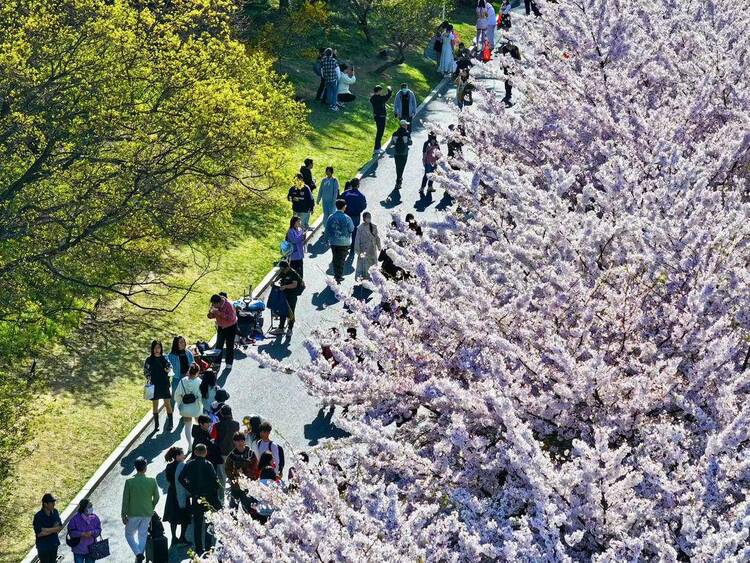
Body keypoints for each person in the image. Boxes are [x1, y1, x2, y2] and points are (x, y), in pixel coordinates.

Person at [179, 443, 221, 556]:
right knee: (208, 523)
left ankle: (198, 548)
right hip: (208, 497)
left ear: (195, 452)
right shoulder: (208, 464)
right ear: (206, 452)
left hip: (196, 497)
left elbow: (181, 478)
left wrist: (190, 488)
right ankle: (208, 547)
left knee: (198, 524)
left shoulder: (190, 464)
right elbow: (216, 482)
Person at [122, 456, 159, 563]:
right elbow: (156, 497)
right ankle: (139, 555)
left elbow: (125, 500)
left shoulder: (129, 482)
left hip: (133, 513)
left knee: (129, 534)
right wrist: (151, 506)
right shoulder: (152, 481)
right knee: (142, 535)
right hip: (147, 512)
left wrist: (123, 515)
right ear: (145, 467)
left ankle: (138, 554)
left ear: (135, 467)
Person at [224, 432, 260, 511]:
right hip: (235, 486)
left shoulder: (251, 454)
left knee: (249, 508)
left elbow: (255, 469)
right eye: (237, 441)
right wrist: (234, 477)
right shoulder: (231, 456)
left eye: (241, 440)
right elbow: (227, 470)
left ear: (244, 441)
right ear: (234, 442)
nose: (240, 443)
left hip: (248, 486)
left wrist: (244, 471)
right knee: (233, 509)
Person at [144, 340, 173, 432]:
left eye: (159, 348)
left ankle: (170, 423)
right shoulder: (149, 359)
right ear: (152, 349)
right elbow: (146, 371)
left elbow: (170, 367)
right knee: (155, 405)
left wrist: (168, 369)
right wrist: (149, 378)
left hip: (164, 383)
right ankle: (156, 425)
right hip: (154, 385)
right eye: (155, 348)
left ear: (161, 348)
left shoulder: (165, 358)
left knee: (167, 403)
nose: (157, 350)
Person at [162, 447, 190, 547]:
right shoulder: (183, 466)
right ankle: (182, 537)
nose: (184, 456)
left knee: (173, 517)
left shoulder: (169, 467)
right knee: (185, 517)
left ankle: (174, 537)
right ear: (177, 456)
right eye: (182, 454)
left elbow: (169, 479)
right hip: (182, 492)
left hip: (172, 493)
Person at [269, 260, 303, 335]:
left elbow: (294, 284)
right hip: (284, 294)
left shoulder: (293, 273)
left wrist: (285, 286)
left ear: (287, 267)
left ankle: (290, 329)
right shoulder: (283, 271)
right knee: (282, 310)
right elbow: (279, 276)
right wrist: (274, 281)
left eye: (283, 269)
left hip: (292, 295)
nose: (282, 270)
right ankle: (280, 328)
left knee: (290, 312)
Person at [174, 363, 203, 451]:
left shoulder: (182, 381)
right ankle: (198, 443)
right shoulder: (199, 382)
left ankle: (190, 445)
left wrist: (180, 404)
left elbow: (177, 395)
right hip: (196, 408)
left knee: (187, 426)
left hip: (185, 408)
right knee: (199, 425)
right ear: (197, 372)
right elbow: (201, 396)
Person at [325, 199, 355, 283]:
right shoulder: (347, 218)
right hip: (344, 242)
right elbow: (351, 229)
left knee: (335, 257)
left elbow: (327, 229)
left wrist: (326, 239)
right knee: (341, 259)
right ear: (344, 206)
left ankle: (336, 275)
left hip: (333, 241)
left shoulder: (331, 217)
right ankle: (339, 276)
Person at [207, 293, 237, 370]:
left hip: (231, 327)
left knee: (229, 345)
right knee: (219, 345)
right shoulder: (214, 306)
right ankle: (217, 363)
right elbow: (211, 316)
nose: (213, 306)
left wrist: (219, 313)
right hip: (221, 327)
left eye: (214, 304)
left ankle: (229, 363)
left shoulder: (229, 305)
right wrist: (211, 314)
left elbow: (231, 318)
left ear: (219, 302)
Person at [67, 498, 102, 563]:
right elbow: (71, 532)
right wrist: (82, 534)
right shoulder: (75, 519)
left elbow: (99, 530)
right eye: (89, 506)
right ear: (84, 508)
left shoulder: (95, 518)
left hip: (91, 549)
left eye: (91, 506)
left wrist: (92, 532)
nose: (91, 507)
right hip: (78, 550)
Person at [33, 493, 62, 563]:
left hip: (54, 544)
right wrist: (54, 529)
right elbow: (39, 534)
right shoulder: (38, 516)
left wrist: (45, 529)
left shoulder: (55, 512)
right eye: (51, 502)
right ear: (45, 504)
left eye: (54, 502)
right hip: (43, 547)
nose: (54, 504)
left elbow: (59, 527)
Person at [354, 212, 382, 281]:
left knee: (373, 263)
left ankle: (373, 278)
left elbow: (377, 237)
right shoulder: (360, 228)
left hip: (372, 248)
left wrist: (379, 245)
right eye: (367, 217)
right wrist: (358, 250)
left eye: (369, 217)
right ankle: (365, 278)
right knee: (365, 265)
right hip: (364, 249)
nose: (368, 219)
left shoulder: (373, 226)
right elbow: (357, 240)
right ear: (364, 218)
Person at [342, 178, 367, 251]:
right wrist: (358, 210)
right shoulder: (361, 195)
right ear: (358, 185)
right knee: (354, 232)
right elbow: (364, 206)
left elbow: (340, 202)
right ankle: (352, 247)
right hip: (355, 216)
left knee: (346, 231)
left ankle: (344, 246)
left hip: (346, 215)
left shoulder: (345, 193)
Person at [166, 336, 193, 400]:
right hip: (176, 378)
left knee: (187, 396)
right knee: (174, 396)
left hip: (187, 377)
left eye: (183, 342)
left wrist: (190, 371)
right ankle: (171, 409)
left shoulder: (188, 353)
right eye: (180, 342)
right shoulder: (171, 355)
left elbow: (193, 364)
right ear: (176, 344)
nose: (183, 343)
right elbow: (167, 366)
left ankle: (185, 409)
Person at [370, 85, 392, 155]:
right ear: (378, 91)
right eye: (381, 91)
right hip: (381, 117)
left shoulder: (373, 98)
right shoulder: (379, 98)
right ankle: (376, 149)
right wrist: (389, 90)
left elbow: (384, 98)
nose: (382, 92)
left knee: (379, 132)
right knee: (380, 133)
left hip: (377, 117)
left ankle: (378, 147)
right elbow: (388, 96)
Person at [391, 120, 411, 189]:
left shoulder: (394, 133)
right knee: (402, 167)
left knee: (397, 167)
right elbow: (410, 143)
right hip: (404, 153)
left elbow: (393, 143)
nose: (407, 126)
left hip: (396, 153)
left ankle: (399, 179)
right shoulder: (407, 133)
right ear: (403, 125)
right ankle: (398, 181)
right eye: (406, 125)